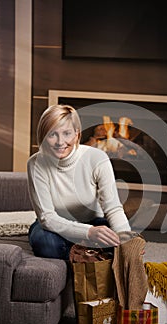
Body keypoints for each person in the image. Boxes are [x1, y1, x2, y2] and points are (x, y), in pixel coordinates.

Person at [27, 104, 131, 260]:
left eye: (67, 133)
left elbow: (113, 208)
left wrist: (126, 242)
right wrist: (88, 233)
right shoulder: (36, 163)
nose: (60, 142)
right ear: (43, 136)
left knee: (124, 237)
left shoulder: (97, 158)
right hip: (55, 227)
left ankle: (80, 253)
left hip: (93, 222)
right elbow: (47, 218)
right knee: (45, 242)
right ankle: (90, 254)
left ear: (77, 134)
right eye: (52, 134)